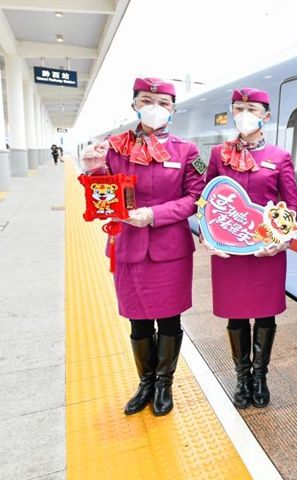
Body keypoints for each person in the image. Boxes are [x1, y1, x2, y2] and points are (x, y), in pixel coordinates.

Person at [80, 77, 204, 416]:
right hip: (128, 246)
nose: (155, 108)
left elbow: (195, 198)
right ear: (134, 103)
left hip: (171, 250)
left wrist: (153, 214)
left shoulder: (187, 151)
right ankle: (145, 382)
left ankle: (165, 384)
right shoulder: (113, 146)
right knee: (137, 321)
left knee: (168, 320)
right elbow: (101, 194)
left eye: (163, 103)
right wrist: (92, 170)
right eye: (147, 100)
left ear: (173, 110)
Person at [200, 88, 297, 409]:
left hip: (265, 250)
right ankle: (242, 378)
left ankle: (260, 377)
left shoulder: (279, 157)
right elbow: (207, 200)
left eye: (251, 108)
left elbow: (291, 205)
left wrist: (281, 240)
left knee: (266, 313)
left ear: (266, 116)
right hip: (230, 252)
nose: (244, 113)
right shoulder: (218, 155)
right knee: (237, 314)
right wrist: (206, 234)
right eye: (239, 108)